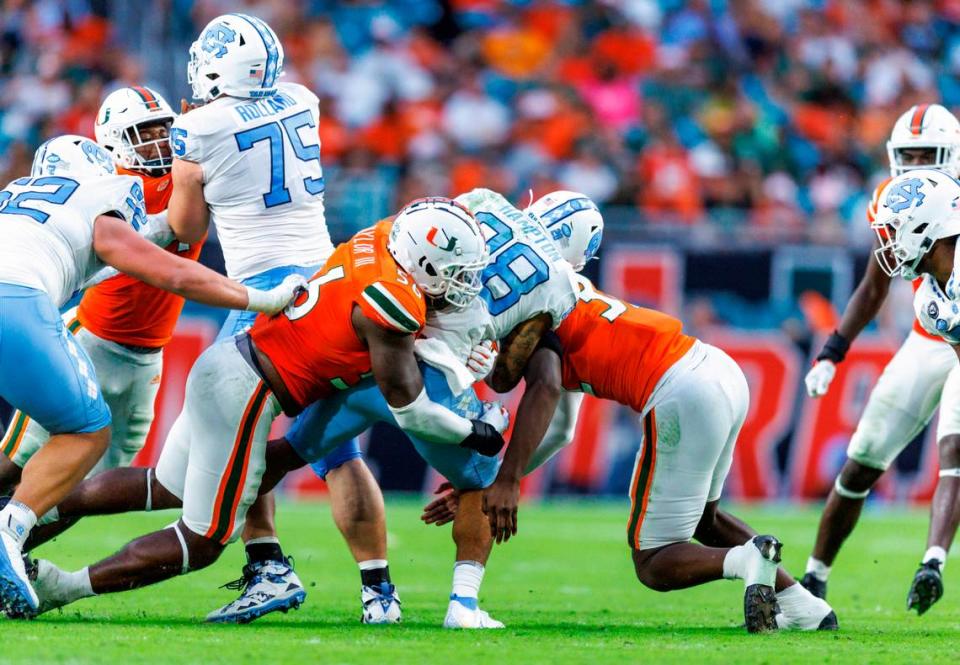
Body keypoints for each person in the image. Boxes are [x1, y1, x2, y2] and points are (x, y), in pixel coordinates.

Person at [20, 197, 504, 620]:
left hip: (230, 362)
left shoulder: (383, 238)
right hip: (248, 389)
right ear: (421, 260)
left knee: (165, 486)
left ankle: (16, 526)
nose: (464, 285)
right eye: (458, 274)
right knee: (206, 539)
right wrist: (482, 432)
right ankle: (58, 587)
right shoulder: (389, 304)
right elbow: (413, 411)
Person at [422, 204, 839, 632]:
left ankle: (747, 560)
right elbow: (561, 429)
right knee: (703, 521)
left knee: (653, 560)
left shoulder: (538, 306)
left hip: (680, 388)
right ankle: (806, 608)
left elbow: (545, 388)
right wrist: (500, 481)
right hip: (717, 368)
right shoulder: (571, 292)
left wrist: (507, 479)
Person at [0, 134, 302, 616]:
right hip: (17, 300)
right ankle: (8, 532)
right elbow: (175, 273)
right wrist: (260, 298)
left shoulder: (16, 194)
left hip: (28, 298)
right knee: (84, 433)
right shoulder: (97, 197)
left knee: (68, 463)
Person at [167, 12, 389, 621]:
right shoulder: (301, 98)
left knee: (229, 436)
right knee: (339, 452)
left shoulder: (198, 126)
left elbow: (188, 229)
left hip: (265, 293)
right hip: (328, 283)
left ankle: (266, 565)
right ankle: (379, 595)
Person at [801, 104, 960, 615]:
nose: (914, 168)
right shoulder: (908, 214)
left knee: (954, 446)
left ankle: (933, 558)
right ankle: (813, 577)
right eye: (906, 156)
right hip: (933, 331)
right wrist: (833, 351)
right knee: (865, 454)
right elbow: (875, 284)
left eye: (926, 156)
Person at [0, 86, 197, 493]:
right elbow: (179, 229)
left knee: (92, 482)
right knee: (18, 457)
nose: (160, 140)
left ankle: (18, 546)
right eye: (146, 133)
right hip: (91, 336)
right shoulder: (115, 187)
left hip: (147, 354)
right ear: (115, 144)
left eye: (164, 128)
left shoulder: (185, 176)